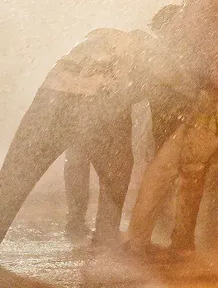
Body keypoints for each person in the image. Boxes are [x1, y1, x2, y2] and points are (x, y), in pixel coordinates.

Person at [0, 29, 161, 246]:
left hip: (50, 97)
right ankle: (105, 241)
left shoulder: (97, 37)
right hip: (98, 100)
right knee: (118, 173)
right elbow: (135, 92)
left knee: (15, 177)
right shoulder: (145, 51)